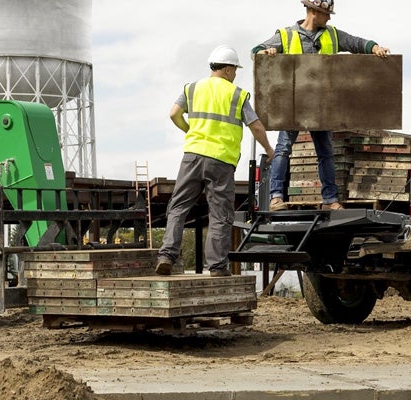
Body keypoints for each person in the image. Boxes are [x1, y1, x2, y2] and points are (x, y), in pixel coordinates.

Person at [252, 0, 390, 211]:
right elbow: (257, 50)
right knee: (283, 149)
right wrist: (265, 53)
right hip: (294, 104)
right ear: (314, 12)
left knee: (325, 152)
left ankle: (330, 200)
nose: (329, 17)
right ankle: (276, 197)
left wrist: (375, 48)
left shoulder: (332, 35)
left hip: (321, 106)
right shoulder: (286, 35)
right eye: (327, 13)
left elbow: (356, 43)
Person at [156, 45, 274, 277]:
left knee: (178, 207)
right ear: (229, 69)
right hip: (221, 160)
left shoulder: (192, 88)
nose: (235, 74)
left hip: (192, 156)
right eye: (235, 70)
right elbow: (256, 126)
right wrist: (269, 150)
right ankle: (218, 267)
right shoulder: (237, 94)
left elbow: (173, 114)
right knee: (220, 214)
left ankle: (166, 256)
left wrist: (190, 130)